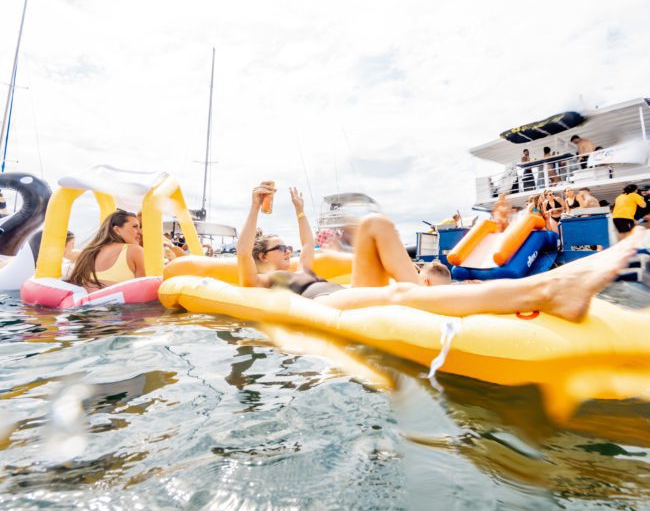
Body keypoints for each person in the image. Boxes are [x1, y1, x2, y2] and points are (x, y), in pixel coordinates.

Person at [238, 182, 644, 323]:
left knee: (375, 225)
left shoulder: (300, 263)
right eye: (279, 247)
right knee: (400, 295)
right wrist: (255, 208)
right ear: (263, 257)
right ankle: (549, 291)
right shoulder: (265, 280)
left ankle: (423, 289)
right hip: (325, 304)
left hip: (344, 291)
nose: (289, 250)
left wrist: (299, 211)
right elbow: (242, 256)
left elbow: (307, 242)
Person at [68, 210, 145, 290]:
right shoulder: (135, 251)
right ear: (117, 230)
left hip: (87, 301)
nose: (140, 232)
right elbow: (145, 289)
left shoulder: (88, 253)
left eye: (140, 227)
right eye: (135, 227)